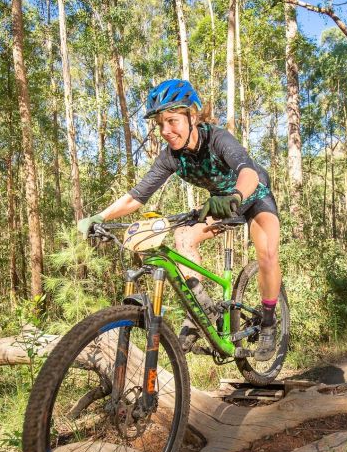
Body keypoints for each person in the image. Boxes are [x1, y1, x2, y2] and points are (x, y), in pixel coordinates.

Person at [78, 79, 281, 361]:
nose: (166, 131)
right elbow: (137, 197)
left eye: (172, 121)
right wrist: (100, 216)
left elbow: (249, 172)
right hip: (219, 203)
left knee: (267, 254)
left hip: (252, 196)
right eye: (160, 124)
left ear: (193, 116)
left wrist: (235, 197)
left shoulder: (217, 138)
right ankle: (203, 308)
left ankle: (269, 322)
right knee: (182, 236)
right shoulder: (172, 157)